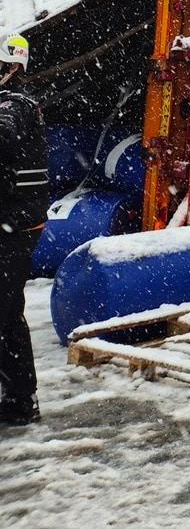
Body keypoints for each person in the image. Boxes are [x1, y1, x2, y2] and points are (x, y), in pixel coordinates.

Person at [0, 33, 46, 427]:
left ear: (12, 67)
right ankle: (17, 399)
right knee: (7, 312)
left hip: (15, 226)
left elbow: (3, 135)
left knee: (4, 310)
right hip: (8, 222)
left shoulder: (16, 106)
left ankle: (19, 398)